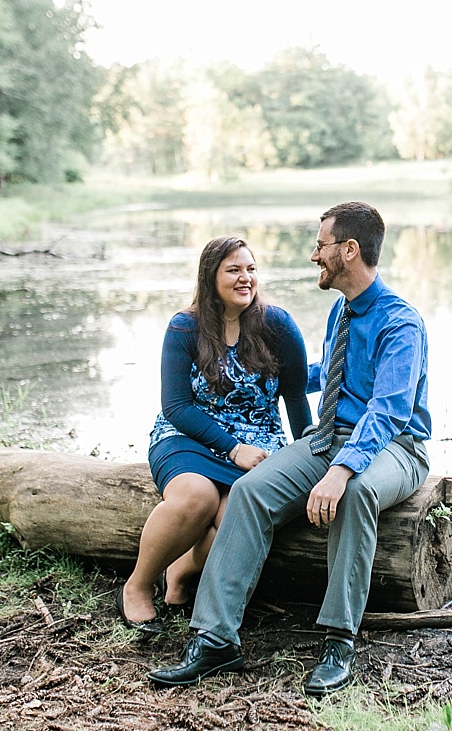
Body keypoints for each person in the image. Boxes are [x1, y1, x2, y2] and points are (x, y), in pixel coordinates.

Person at [148, 201, 431, 697]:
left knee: (357, 492)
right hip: (332, 438)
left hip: (396, 447)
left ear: (349, 250)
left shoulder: (400, 323)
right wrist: (284, 375)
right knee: (253, 490)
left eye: (321, 245)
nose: (314, 254)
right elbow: (331, 379)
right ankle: (215, 638)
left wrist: (340, 471)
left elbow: (386, 412)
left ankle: (339, 641)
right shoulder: (342, 310)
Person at [117, 236, 311, 636]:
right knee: (197, 497)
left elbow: (295, 399)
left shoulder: (278, 325)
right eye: (234, 270)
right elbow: (176, 406)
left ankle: (182, 569)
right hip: (188, 436)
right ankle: (137, 587)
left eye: (251, 269)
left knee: (234, 515)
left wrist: (313, 454)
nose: (246, 278)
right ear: (211, 277)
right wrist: (231, 447)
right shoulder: (185, 327)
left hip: (259, 445)